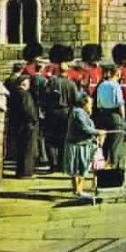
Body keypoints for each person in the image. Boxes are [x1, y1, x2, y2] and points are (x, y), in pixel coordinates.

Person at [40, 44, 80, 172]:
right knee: (64, 139)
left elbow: (45, 96)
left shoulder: (51, 81)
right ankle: (62, 165)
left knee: (50, 140)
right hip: (66, 112)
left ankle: (53, 165)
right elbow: (76, 99)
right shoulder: (71, 83)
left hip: (52, 112)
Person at [62, 93, 100, 202]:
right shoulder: (78, 113)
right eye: (90, 104)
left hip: (80, 143)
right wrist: (98, 132)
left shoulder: (81, 113)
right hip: (77, 145)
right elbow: (85, 128)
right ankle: (78, 190)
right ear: (84, 103)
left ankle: (78, 190)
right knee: (79, 168)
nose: (91, 106)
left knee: (79, 168)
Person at [93, 65, 126, 168]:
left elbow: (98, 103)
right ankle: (113, 165)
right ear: (117, 74)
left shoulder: (101, 85)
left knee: (104, 144)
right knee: (115, 144)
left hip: (102, 115)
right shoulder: (116, 86)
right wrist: (123, 117)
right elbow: (120, 103)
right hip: (114, 115)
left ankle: (103, 164)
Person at [12, 75, 40, 178]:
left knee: (22, 149)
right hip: (27, 125)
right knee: (28, 149)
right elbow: (28, 110)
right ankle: (26, 172)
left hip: (19, 124)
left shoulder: (16, 93)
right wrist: (34, 120)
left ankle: (21, 171)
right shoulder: (24, 94)